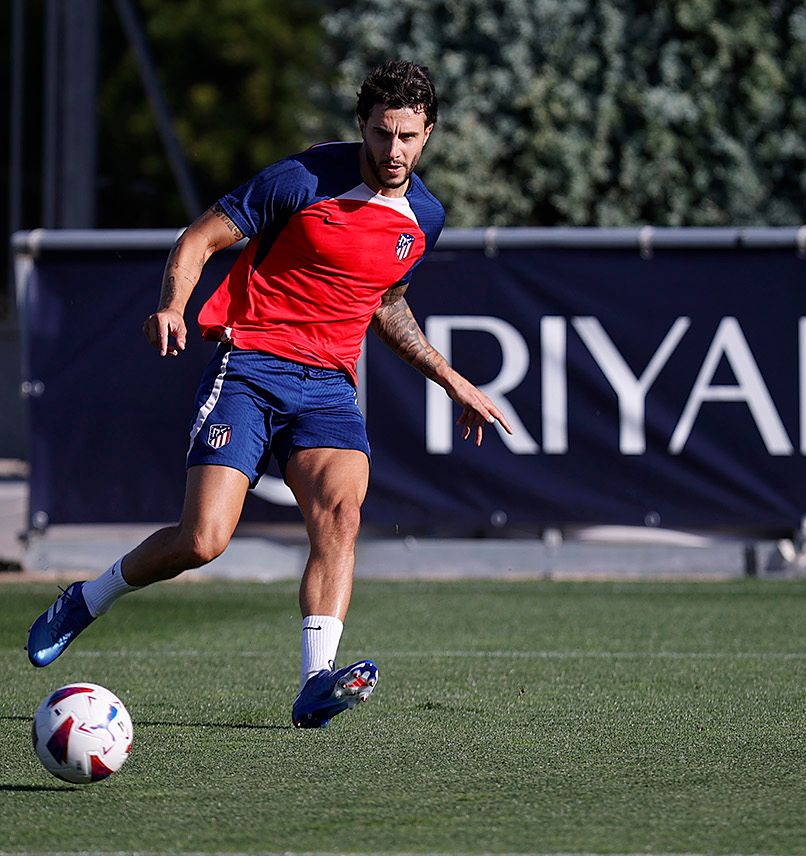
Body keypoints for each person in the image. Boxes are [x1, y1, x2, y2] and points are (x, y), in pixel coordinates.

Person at [26, 60, 510, 729]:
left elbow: (386, 306)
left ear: (428, 133)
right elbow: (199, 237)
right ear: (361, 127)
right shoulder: (300, 179)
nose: (392, 151)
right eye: (380, 134)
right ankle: (86, 599)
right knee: (203, 541)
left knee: (341, 515)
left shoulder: (424, 217)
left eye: (407, 136)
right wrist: (173, 306)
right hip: (250, 367)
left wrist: (453, 380)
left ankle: (315, 681)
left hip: (329, 388)